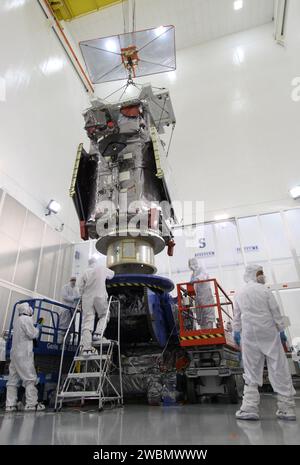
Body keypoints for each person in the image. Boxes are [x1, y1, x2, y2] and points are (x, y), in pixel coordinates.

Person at [233, 264, 296, 421]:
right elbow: (275, 311)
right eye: (260, 273)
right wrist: (281, 329)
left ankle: (249, 408)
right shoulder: (265, 290)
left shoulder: (240, 293)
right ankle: (286, 408)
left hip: (249, 334)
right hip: (268, 331)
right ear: (253, 274)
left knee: (251, 370)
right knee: (278, 366)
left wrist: (236, 332)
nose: (262, 276)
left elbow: (236, 316)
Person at [5, 303, 45, 412]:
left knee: (12, 380)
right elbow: (32, 335)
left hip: (14, 354)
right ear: (28, 310)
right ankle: (31, 404)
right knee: (30, 378)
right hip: (24, 354)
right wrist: (38, 328)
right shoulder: (26, 319)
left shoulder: (17, 320)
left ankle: (10, 405)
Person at [78, 257, 115, 355]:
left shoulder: (84, 272)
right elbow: (112, 275)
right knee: (104, 314)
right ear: (96, 262)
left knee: (87, 322)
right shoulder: (101, 268)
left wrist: (82, 299)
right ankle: (98, 334)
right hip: (99, 295)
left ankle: (86, 349)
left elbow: (80, 288)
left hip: (87, 298)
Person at [188, 258, 215, 329]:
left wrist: (196, 279)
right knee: (200, 314)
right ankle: (203, 330)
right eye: (190, 264)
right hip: (198, 296)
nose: (191, 266)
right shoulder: (192, 274)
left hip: (205, 294)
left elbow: (204, 276)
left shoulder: (201, 269)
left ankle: (209, 331)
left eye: (192, 264)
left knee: (207, 313)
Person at [59, 277, 80, 343]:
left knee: (69, 330)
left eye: (75, 280)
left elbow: (78, 299)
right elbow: (65, 297)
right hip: (66, 310)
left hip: (72, 312)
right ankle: (59, 343)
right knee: (62, 329)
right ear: (70, 280)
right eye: (72, 280)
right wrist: (75, 298)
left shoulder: (76, 289)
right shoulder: (65, 287)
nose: (74, 281)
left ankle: (66, 345)